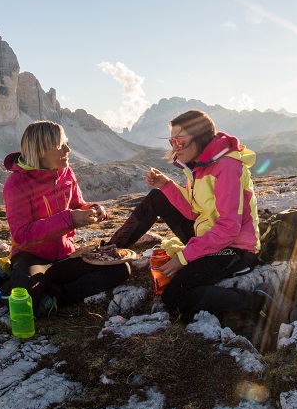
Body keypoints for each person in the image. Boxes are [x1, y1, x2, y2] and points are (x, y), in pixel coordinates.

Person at [108, 110, 275, 329]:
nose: (175, 148)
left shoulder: (226, 166)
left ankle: (257, 301)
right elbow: (193, 212)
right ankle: (110, 250)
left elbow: (228, 228)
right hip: (209, 236)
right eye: (171, 142)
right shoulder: (198, 165)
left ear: (200, 137)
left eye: (180, 141)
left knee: (175, 294)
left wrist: (183, 258)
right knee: (157, 197)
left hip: (234, 248)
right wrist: (166, 185)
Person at [1, 120, 130, 316]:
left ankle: (53, 296)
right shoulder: (16, 183)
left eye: (66, 143)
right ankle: (40, 289)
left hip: (66, 255)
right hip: (32, 256)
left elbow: (77, 204)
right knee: (24, 296)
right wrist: (69, 219)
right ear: (40, 150)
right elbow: (21, 234)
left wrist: (93, 209)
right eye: (61, 146)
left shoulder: (67, 173)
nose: (68, 150)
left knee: (120, 269)